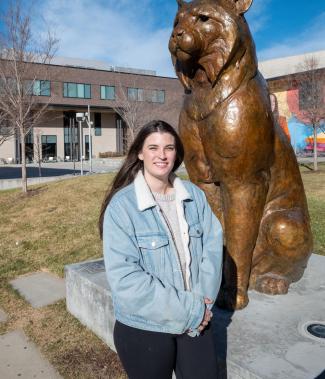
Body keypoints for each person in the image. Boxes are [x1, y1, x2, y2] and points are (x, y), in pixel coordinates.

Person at [99, 120, 223, 379]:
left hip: (196, 321)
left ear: (176, 153)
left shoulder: (194, 196)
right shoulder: (122, 207)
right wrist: (190, 310)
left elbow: (212, 249)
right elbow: (126, 280)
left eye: (169, 147)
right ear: (140, 153)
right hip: (145, 326)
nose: (162, 154)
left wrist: (201, 304)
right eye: (153, 147)